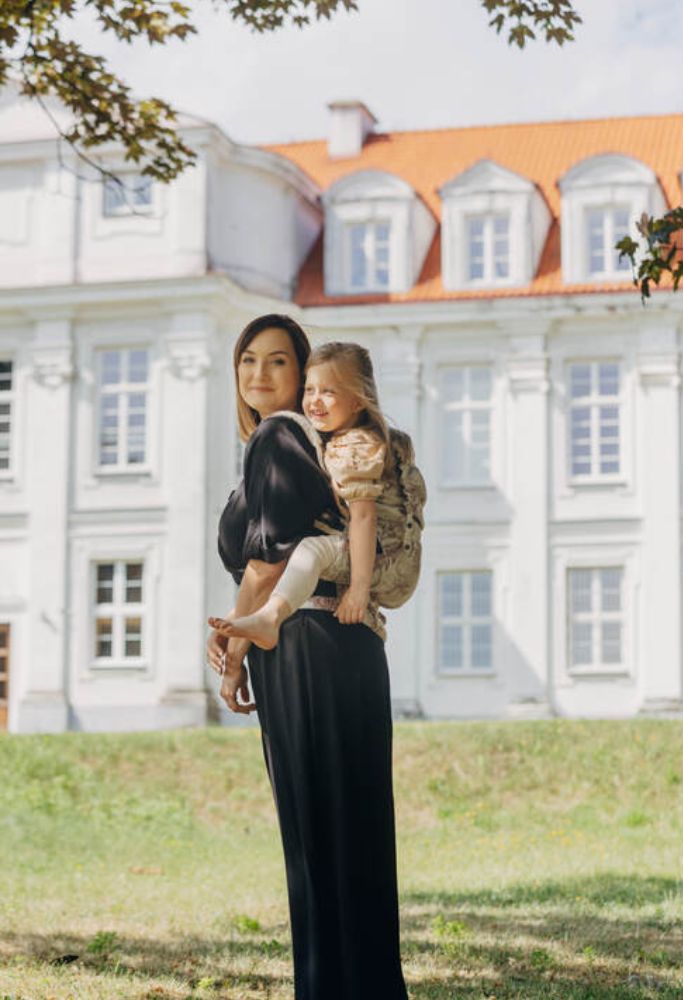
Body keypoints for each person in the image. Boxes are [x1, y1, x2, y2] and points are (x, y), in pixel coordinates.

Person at [207, 314, 411, 1000]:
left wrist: (235, 652)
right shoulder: (314, 449)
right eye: (247, 361)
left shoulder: (277, 437)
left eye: (278, 362)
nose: (259, 375)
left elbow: (265, 563)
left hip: (305, 648)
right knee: (356, 836)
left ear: (305, 375)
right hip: (349, 647)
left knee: (316, 844)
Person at [208, 340, 422, 651]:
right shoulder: (332, 443)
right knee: (307, 552)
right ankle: (266, 615)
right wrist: (236, 616)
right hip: (366, 553)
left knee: (310, 551)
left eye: (329, 392)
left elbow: (364, 516)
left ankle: (269, 619)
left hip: (382, 556)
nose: (315, 401)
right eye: (310, 390)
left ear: (358, 401)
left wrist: (359, 590)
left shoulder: (357, 446)